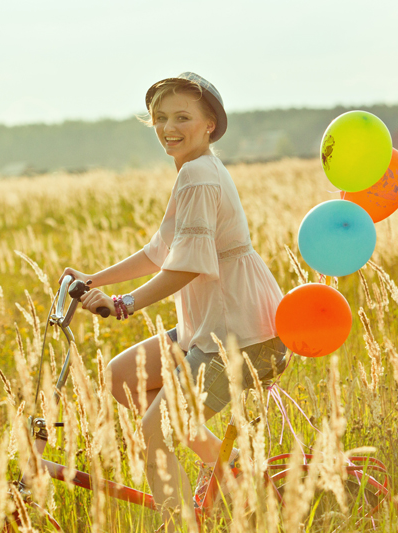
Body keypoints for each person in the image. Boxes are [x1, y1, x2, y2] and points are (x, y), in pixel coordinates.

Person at [60, 72, 287, 532]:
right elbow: (159, 253)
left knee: (153, 433)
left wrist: (122, 304)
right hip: (208, 329)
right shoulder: (194, 170)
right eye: (160, 118)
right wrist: (91, 279)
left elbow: (189, 266)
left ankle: (180, 525)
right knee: (121, 378)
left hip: (240, 335)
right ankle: (236, 469)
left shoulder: (199, 176)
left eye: (182, 117)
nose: (168, 127)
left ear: (210, 124)